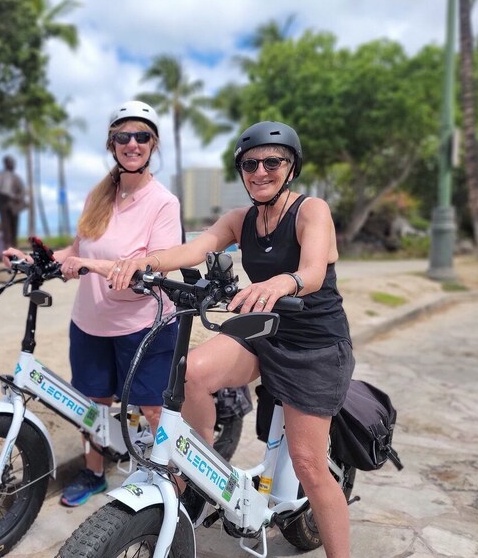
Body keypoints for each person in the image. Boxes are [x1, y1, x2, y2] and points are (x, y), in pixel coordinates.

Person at [110, 121, 355, 558]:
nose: (260, 171)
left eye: (272, 162)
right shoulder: (240, 220)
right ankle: (199, 472)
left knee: (310, 467)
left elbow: (315, 271)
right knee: (192, 374)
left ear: (291, 167)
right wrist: (145, 262)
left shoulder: (311, 210)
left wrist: (283, 282)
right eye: (250, 164)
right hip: (265, 330)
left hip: (315, 345)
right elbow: (195, 248)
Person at [2, 101, 182, 507]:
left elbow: (158, 260)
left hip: (143, 324)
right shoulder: (99, 195)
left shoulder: (163, 202)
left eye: (141, 137)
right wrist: (37, 260)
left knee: (153, 409)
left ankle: (172, 483)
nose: (131, 144)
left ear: (152, 145)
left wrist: (91, 264)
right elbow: (78, 250)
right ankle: (94, 472)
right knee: (92, 405)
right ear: (111, 143)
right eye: (123, 137)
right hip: (90, 322)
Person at [0, 155, 26, 249]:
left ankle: (14, 245)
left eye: (14, 163)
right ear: (6, 163)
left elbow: (22, 191)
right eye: (11, 162)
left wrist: (18, 197)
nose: (13, 164)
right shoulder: (0, 175)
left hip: (15, 206)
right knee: (6, 227)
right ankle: (8, 245)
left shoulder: (17, 178)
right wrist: (7, 195)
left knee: (14, 226)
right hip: (4, 204)